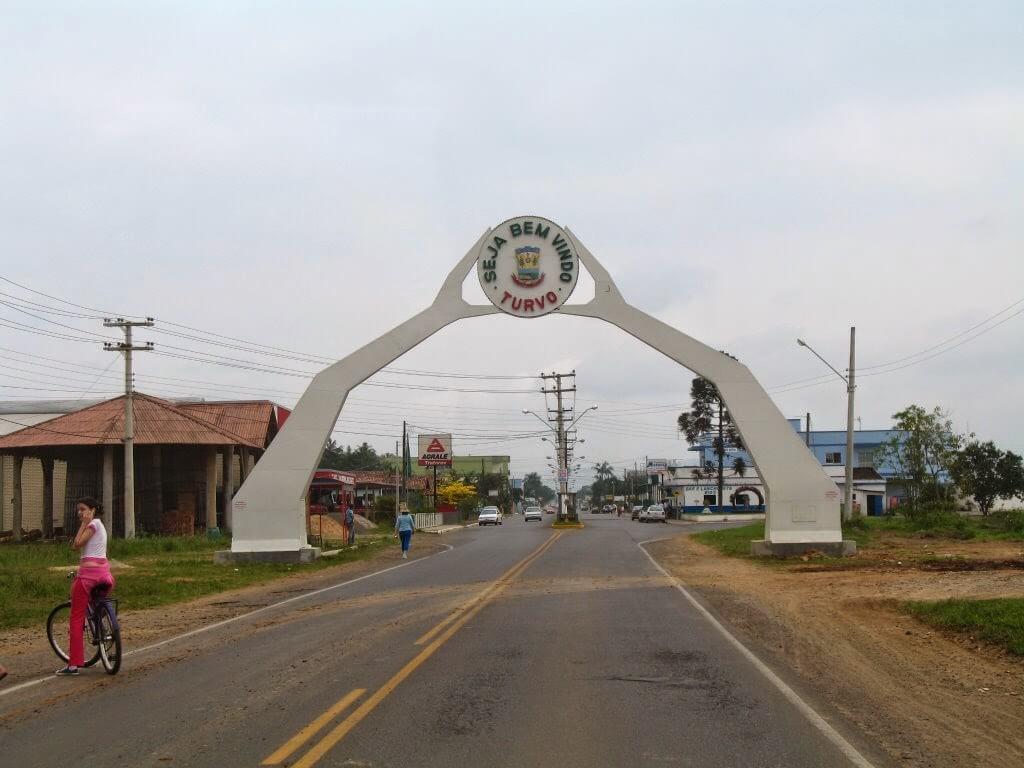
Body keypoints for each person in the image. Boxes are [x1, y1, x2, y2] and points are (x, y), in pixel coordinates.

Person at [56, 497, 114, 677]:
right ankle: (101, 624)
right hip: (105, 575)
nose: (80, 512)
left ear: (93, 510)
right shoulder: (101, 526)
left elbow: (76, 544)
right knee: (96, 602)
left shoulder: (92, 525)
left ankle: (73, 665)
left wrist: (83, 525)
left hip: (88, 577)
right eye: (78, 510)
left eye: (83, 509)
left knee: (76, 617)